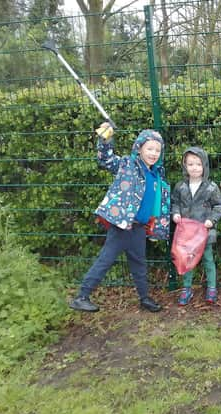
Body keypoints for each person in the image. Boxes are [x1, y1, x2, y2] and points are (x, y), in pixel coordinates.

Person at [68, 123, 165, 313]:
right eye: (150, 148)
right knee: (106, 260)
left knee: (139, 264)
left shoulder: (155, 174)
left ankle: (144, 298)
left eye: (157, 150)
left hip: (139, 228)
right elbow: (106, 160)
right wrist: (106, 139)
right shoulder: (127, 164)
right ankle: (82, 296)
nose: (153, 153)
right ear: (139, 148)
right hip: (122, 227)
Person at [171, 146, 221, 305]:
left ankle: (212, 288)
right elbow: (175, 202)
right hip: (186, 234)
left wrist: (212, 220)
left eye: (198, 164)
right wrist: (176, 214)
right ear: (185, 166)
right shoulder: (180, 186)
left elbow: (219, 206)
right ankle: (186, 288)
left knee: (208, 259)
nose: (195, 168)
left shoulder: (211, 187)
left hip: (204, 233)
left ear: (205, 166)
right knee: (186, 261)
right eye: (190, 164)